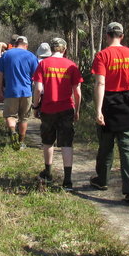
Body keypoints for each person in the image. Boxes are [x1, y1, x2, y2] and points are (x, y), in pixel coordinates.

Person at [88, 22, 129, 204]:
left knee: (106, 146)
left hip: (109, 103)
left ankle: (102, 180)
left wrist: (98, 110)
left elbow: (100, 83)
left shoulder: (102, 55)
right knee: (127, 149)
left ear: (107, 35)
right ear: (122, 36)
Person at [31, 37, 83, 189]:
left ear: (52, 49)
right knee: (66, 143)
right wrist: (77, 110)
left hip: (48, 108)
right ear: (64, 49)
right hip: (67, 109)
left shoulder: (44, 64)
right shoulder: (71, 65)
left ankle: (48, 173)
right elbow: (77, 92)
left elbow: (38, 89)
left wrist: (35, 106)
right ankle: (67, 181)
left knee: (48, 141)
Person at [0, 35, 39, 150]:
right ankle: (20, 142)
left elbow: (0, 74)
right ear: (26, 45)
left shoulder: (6, 55)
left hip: (11, 91)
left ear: (16, 44)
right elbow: (36, 79)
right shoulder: (31, 56)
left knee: (10, 116)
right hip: (26, 92)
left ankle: (12, 131)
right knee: (24, 118)